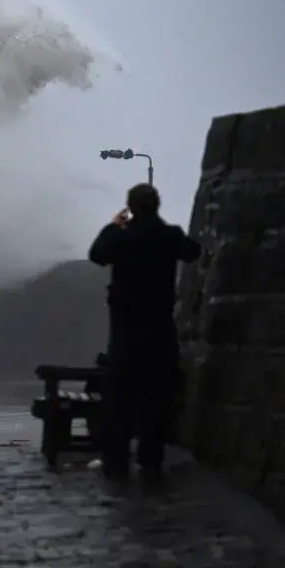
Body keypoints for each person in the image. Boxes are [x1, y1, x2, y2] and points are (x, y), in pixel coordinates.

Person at [88, 184, 201, 483]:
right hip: (159, 328)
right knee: (156, 398)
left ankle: (116, 463)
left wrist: (115, 225)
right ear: (157, 205)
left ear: (131, 207)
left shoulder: (121, 237)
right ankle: (151, 462)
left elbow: (97, 254)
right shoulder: (169, 235)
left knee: (120, 399)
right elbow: (192, 252)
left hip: (125, 329)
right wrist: (162, 226)